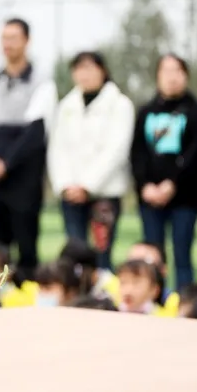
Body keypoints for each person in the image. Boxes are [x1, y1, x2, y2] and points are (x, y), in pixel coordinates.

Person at [0, 19, 57, 281]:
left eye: (14, 37)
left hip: (23, 177)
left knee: (26, 245)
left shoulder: (42, 83)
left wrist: (5, 163)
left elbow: (35, 132)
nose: (8, 43)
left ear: (27, 41)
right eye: (4, 37)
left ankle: (26, 300)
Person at [47, 51, 134, 271]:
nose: (84, 74)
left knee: (101, 253)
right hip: (70, 194)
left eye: (90, 68)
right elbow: (58, 149)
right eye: (79, 69)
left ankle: (101, 302)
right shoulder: (67, 105)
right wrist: (66, 184)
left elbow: (117, 149)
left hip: (103, 194)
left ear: (102, 70)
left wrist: (87, 185)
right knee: (74, 253)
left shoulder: (120, 104)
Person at [130, 54, 197, 291]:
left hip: (184, 198)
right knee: (153, 256)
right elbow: (137, 153)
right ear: (157, 76)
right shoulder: (146, 111)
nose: (171, 77)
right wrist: (145, 185)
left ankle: (183, 304)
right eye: (166, 71)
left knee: (182, 255)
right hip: (150, 199)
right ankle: (155, 302)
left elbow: (195, 156)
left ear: (186, 75)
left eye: (177, 71)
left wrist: (171, 184)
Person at [126, 241, 179, 316]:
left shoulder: (174, 304)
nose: (135, 273)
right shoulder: (114, 297)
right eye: (131, 264)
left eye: (146, 265)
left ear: (163, 271)